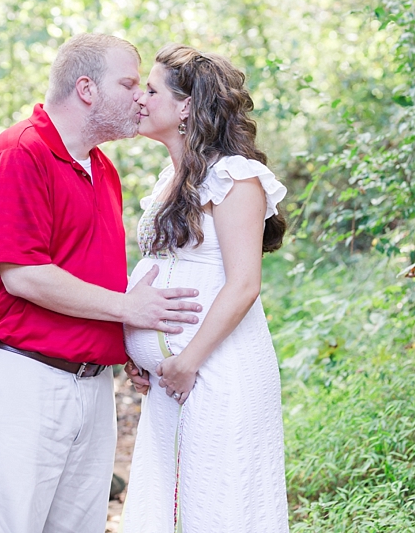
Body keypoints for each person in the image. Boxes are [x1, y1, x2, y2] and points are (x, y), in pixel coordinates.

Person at [0, 33, 203, 533]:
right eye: (129, 82)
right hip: (22, 381)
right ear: (87, 89)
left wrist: (128, 345)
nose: (141, 96)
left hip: (93, 388)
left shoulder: (103, 170)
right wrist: (129, 310)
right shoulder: (20, 152)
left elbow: (96, 279)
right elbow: (24, 275)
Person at [121, 44, 290, 532]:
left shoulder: (236, 177)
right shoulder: (167, 180)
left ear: (187, 106)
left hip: (216, 370)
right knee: (171, 507)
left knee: (221, 505)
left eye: (151, 90)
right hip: (171, 381)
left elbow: (244, 284)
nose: (140, 99)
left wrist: (185, 359)